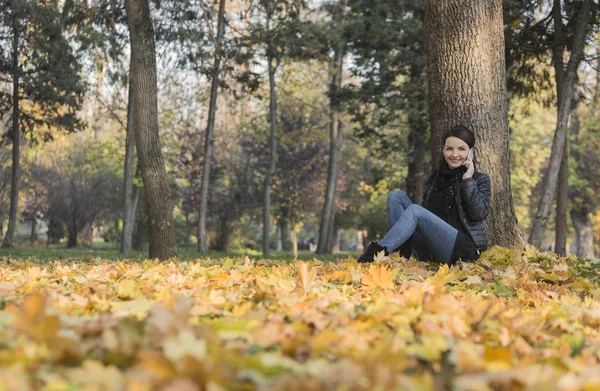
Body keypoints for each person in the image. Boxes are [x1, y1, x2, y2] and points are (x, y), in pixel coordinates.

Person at [357, 125, 491, 265]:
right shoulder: (436, 178)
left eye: (461, 149)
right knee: (395, 196)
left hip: (460, 251)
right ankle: (403, 253)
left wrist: (468, 180)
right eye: (449, 148)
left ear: (471, 152)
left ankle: (372, 257)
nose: (454, 154)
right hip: (429, 248)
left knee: (415, 210)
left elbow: (479, 214)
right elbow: (426, 217)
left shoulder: (479, 179)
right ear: (443, 150)